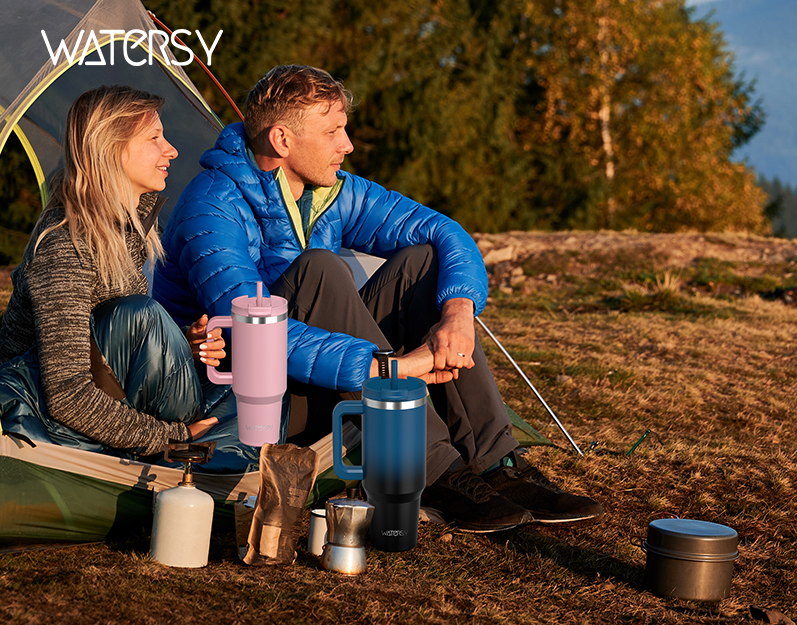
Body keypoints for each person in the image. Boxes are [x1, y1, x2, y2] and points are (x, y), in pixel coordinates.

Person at [152, 65, 603, 533]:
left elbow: (446, 232)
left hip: (321, 375)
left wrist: (459, 312)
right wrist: (393, 366)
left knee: (424, 263)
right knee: (318, 271)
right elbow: (251, 332)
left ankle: (495, 465)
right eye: (332, 132)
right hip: (246, 402)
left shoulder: (329, 192)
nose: (347, 145)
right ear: (282, 141)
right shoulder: (213, 206)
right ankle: (429, 469)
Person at [0, 85, 226, 456]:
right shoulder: (64, 246)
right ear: (111, 149)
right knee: (141, 315)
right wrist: (171, 437)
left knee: (251, 382)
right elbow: (67, 394)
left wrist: (181, 344)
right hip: (39, 420)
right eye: (154, 137)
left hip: (105, 400)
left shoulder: (125, 228)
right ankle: (202, 463)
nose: (171, 150)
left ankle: (221, 459)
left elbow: (107, 347)